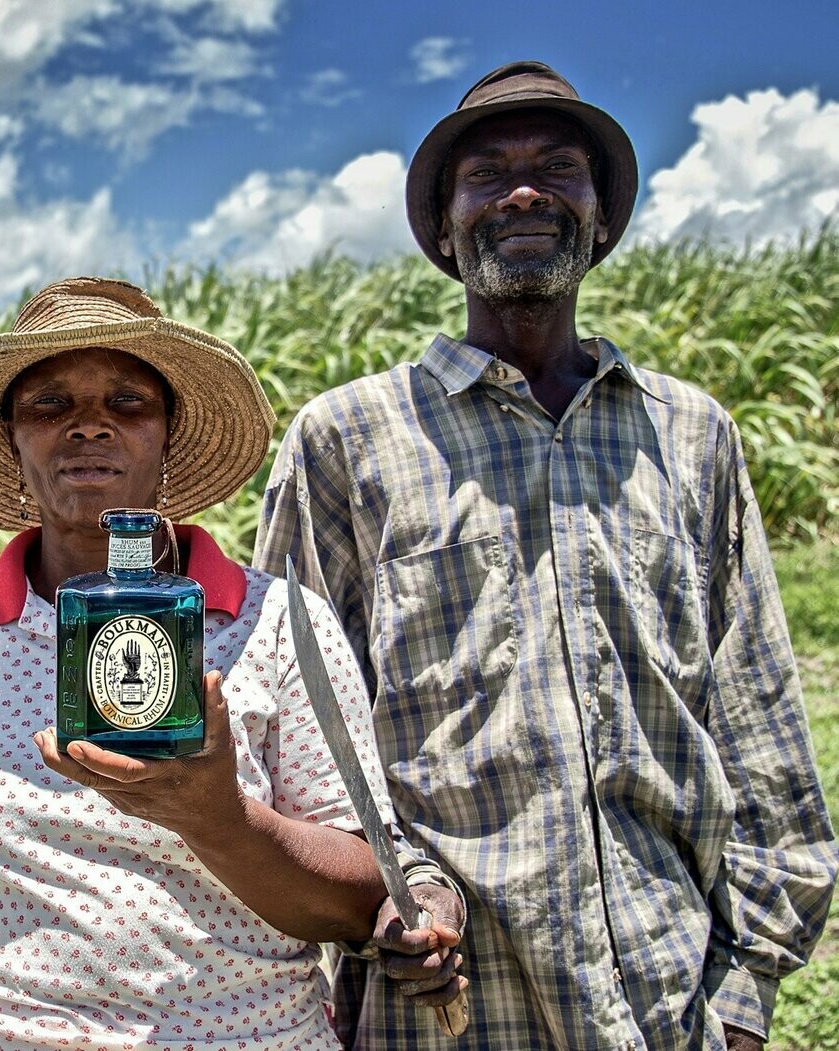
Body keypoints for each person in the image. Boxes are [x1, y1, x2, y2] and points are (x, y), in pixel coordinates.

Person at [254, 61, 839, 1050]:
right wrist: (376, 906)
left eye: (558, 167)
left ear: (600, 218)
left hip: (672, 1001)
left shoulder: (691, 435)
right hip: (442, 1010)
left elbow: (757, 712)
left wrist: (746, 993)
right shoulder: (346, 441)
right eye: (486, 173)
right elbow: (298, 740)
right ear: (444, 228)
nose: (523, 192)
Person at [0, 276, 465, 1050]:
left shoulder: (277, 625)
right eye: (49, 404)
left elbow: (358, 896)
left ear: (168, 433)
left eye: (127, 401)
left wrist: (218, 819)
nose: (89, 425)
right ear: (12, 434)